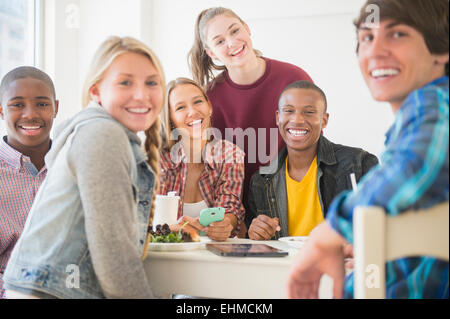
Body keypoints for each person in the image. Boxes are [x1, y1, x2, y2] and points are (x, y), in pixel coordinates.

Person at [287, 0, 449, 299]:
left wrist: (330, 231)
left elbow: (415, 166)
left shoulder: (436, 102)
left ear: (441, 48)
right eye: (367, 38)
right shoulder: (415, 121)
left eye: (397, 34)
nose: (375, 51)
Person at [3, 36, 166, 299]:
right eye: (125, 82)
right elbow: (115, 260)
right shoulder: (103, 134)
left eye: (151, 83)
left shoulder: (101, 132)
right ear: (96, 91)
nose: (141, 94)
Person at [188, 7, 313, 225]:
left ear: (247, 28)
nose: (232, 43)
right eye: (219, 41)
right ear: (210, 53)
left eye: (235, 31)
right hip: (236, 216)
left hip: (294, 208)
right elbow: (211, 167)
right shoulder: (209, 98)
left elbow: (314, 149)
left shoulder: (294, 79)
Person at [247, 80, 378, 240]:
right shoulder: (261, 181)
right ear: (278, 117)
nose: (297, 120)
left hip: (340, 264)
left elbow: (379, 230)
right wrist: (255, 232)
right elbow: (258, 243)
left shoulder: (358, 164)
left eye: (309, 112)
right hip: (288, 265)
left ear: (324, 120)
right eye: (289, 111)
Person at [159, 77, 246, 241]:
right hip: (166, 255)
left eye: (198, 102)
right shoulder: (158, 160)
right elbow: (145, 218)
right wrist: (173, 229)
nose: (192, 112)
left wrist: (225, 224)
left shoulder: (230, 155)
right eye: (180, 107)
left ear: (209, 107)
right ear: (170, 118)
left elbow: (231, 209)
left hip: (211, 256)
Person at [0, 66, 59, 299]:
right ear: (2, 111)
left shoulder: (76, 166)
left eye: (42, 104)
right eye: (17, 104)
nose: (30, 114)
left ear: (56, 108)